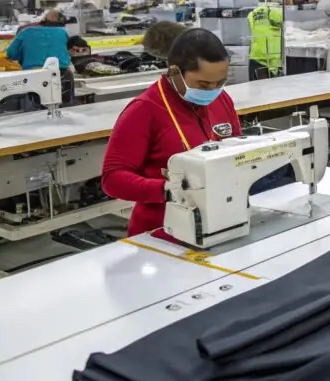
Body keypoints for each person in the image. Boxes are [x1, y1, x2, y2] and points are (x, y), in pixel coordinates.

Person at [102, 29, 241, 237]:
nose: (212, 90)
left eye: (219, 83)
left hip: (220, 223)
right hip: (160, 232)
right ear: (175, 73)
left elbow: (238, 151)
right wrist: (167, 190)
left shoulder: (220, 99)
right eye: (202, 84)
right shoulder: (144, 110)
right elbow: (112, 178)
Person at [6, 9, 74, 107]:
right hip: (62, 74)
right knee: (66, 108)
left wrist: (25, 55)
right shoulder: (62, 32)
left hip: (34, 75)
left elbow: (11, 54)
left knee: (37, 111)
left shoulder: (26, 31)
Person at [248, 3, 283, 80]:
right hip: (274, 56)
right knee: (277, 87)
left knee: (256, 88)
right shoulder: (276, 12)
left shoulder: (252, 14)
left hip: (256, 55)